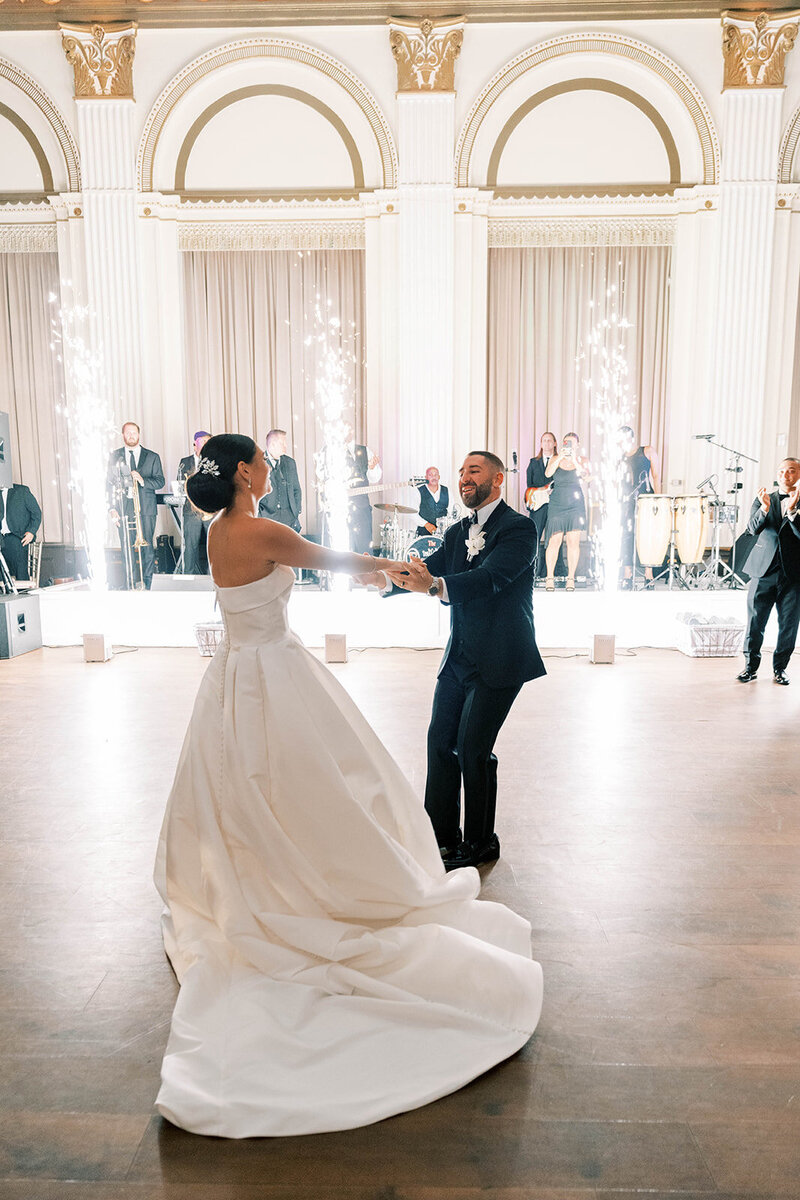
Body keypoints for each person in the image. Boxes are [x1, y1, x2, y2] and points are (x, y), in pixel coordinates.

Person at [154, 434, 542, 1138]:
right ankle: (316, 881)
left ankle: (265, 876)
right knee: (320, 780)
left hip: (236, 677)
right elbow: (328, 560)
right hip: (272, 671)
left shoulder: (217, 531)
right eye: (264, 462)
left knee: (249, 786)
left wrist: (405, 575)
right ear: (244, 472)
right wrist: (386, 568)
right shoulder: (262, 528)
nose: (271, 469)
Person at [370, 451, 545, 871]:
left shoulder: (519, 529)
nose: (464, 478)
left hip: (502, 657)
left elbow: (489, 579)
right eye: (462, 472)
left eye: (474, 471)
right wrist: (380, 577)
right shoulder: (457, 531)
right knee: (439, 742)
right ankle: (441, 838)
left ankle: (482, 841)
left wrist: (436, 586)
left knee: (472, 750)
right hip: (460, 655)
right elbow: (426, 570)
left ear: (498, 480)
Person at [737, 457, 800, 685]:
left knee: (789, 625)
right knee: (755, 622)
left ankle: (780, 669)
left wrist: (793, 512)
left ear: (798, 474)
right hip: (763, 571)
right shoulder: (765, 499)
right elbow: (752, 529)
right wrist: (764, 508)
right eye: (781, 471)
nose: (785, 475)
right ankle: (750, 667)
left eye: (791, 471)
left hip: (793, 575)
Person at [107, 422, 165, 589]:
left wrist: (142, 480)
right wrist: (111, 509)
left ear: (139, 435)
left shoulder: (152, 456)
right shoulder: (114, 456)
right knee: (126, 549)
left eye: (134, 432)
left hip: (146, 509)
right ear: (123, 435)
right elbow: (108, 484)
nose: (131, 435)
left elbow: (160, 481)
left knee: (147, 549)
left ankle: (148, 585)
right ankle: (130, 585)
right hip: (123, 509)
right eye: (128, 432)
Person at [543, 432, 589, 591]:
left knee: (572, 542)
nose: (567, 445)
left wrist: (574, 460)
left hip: (575, 504)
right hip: (557, 503)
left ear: (577, 445)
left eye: (570, 443)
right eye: (565, 442)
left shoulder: (582, 461)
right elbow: (548, 474)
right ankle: (549, 578)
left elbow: (587, 478)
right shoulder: (556, 458)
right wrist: (559, 458)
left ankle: (571, 578)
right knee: (554, 541)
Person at [619, 426, 661, 589]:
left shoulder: (647, 450)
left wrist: (658, 499)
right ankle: (627, 575)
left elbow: (656, 476)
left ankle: (648, 574)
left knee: (646, 535)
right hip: (626, 500)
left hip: (646, 497)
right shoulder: (619, 456)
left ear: (630, 437)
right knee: (626, 535)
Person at [177, 431, 211, 574]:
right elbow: (179, 483)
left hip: (210, 511)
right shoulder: (184, 462)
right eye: (202, 441)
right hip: (191, 511)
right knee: (190, 547)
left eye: (208, 442)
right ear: (194, 444)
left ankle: (215, 579)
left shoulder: (215, 462)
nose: (205, 444)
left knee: (214, 546)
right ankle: (188, 579)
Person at [525, 432, 557, 574]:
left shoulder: (559, 462)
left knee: (555, 539)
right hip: (538, 506)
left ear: (555, 443)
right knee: (535, 537)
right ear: (541, 443)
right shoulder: (533, 462)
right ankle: (535, 572)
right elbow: (529, 485)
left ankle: (554, 572)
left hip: (556, 505)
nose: (547, 443)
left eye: (550, 440)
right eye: (544, 440)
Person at [0, 482, 41, 580]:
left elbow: (36, 513)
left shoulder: (21, 490)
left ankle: (24, 592)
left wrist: (31, 532)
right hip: (1, 538)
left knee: (20, 572)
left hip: (18, 538)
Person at [416, 466, 449, 535]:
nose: (433, 477)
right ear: (426, 477)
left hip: (443, 533)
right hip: (424, 532)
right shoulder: (418, 491)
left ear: (439, 477)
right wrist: (426, 524)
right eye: (430, 475)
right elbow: (413, 513)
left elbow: (452, 511)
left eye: (435, 475)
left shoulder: (447, 491)